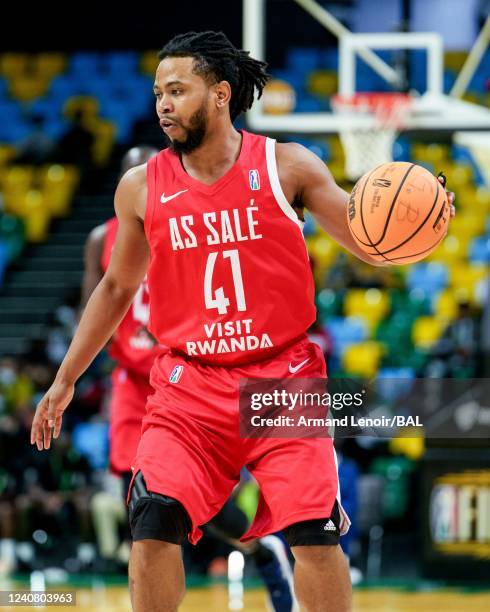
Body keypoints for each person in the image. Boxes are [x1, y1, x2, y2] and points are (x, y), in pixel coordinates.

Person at [31, 31, 455, 612]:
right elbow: (116, 288)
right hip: (190, 384)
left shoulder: (287, 167)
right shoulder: (140, 188)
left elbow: (371, 240)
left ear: (221, 94)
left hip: (282, 381)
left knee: (314, 536)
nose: (163, 105)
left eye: (177, 91)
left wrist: (423, 217)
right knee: (152, 522)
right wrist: (65, 379)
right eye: (158, 92)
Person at [85, 145, 297, 610]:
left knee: (166, 490)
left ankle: (254, 547)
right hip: (128, 376)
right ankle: (236, 551)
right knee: (139, 483)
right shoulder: (103, 238)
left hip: (178, 368)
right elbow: (99, 299)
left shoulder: (185, 216)